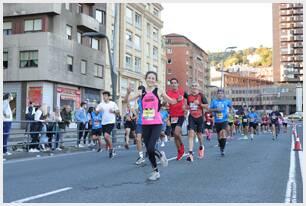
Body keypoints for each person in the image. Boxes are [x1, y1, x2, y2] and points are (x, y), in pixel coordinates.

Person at [185, 81, 208, 161]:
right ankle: (190, 154)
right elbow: (188, 105)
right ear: (191, 88)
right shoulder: (189, 97)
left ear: (198, 87)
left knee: (199, 134)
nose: (194, 87)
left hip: (200, 117)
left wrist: (199, 104)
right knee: (191, 133)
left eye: (195, 86)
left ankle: (201, 146)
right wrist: (186, 108)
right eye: (192, 86)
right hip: (191, 116)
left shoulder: (201, 96)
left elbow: (207, 106)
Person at [166, 78, 188, 160]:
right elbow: (166, 101)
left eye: (175, 83)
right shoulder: (168, 93)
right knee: (175, 136)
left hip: (180, 115)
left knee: (176, 133)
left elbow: (189, 99)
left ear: (178, 84)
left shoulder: (182, 92)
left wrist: (186, 108)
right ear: (171, 85)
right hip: (172, 116)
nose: (174, 84)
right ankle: (179, 151)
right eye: (172, 83)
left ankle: (182, 146)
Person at [126, 85, 146, 165]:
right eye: (138, 91)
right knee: (138, 139)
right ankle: (141, 156)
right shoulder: (138, 100)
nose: (139, 93)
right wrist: (136, 114)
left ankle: (153, 150)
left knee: (148, 141)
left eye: (141, 91)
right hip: (140, 122)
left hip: (148, 122)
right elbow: (127, 101)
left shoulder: (148, 98)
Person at [209, 88, 232, 156]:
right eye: (219, 93)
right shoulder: (214, 101)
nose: (220, 94)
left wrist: (229, 113)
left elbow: (231, 107)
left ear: (223, 94)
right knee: (219, 135)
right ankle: (221, 148)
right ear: (217, 94)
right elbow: (210, 109)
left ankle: (223, 148)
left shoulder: (227, 101)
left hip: (224, 120)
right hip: (217, 120)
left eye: (221, 93)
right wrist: (216, 110)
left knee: (223, 132)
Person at [96, 91, 120, 158]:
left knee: (106, 136)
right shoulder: (101, 104)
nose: (104, 97)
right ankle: (112, 148)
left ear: (109, 97)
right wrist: (97, 111)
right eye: (103, 96)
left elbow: (118, 112)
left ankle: (111, 149)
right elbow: (96, 113)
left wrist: (114, 111)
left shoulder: (113, 104)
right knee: (105, 137)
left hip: (111, 122)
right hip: (104, 123)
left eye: (106, 96)